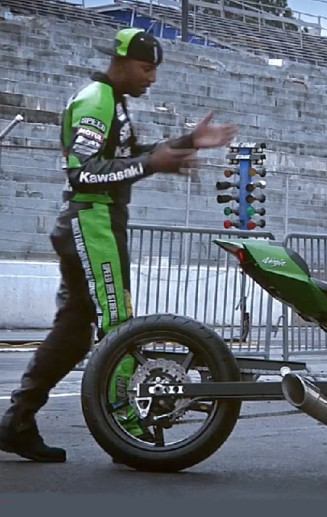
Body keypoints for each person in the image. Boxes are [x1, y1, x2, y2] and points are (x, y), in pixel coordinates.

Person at [0, 28, 237, 462]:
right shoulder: (96, 100)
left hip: (97, 221)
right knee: (118, 324)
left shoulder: (112, 100)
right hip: (93, 222)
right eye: (146, 69)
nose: (152, 78)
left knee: (74, 335)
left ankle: (16, 422)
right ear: (122, 62)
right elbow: (84, 172)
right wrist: (150, 164)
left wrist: (184, 143)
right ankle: (127, 426)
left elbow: (127, 155)